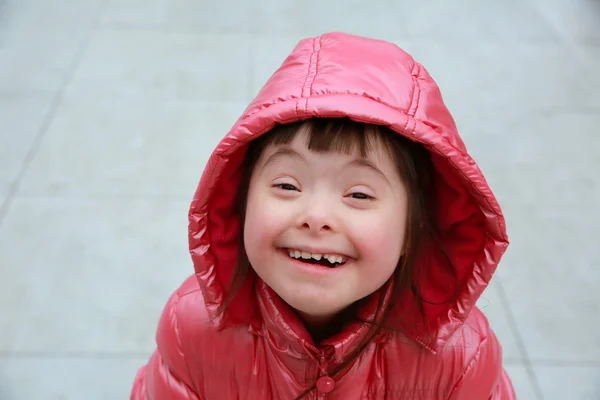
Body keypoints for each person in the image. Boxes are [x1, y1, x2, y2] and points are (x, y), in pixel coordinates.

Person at [130, 32, 515, 399]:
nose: (316, 217)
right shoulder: (191, 329)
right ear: (239, 203)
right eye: (287, 186)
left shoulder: (461, 359)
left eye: (359, 193)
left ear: (412, 232)